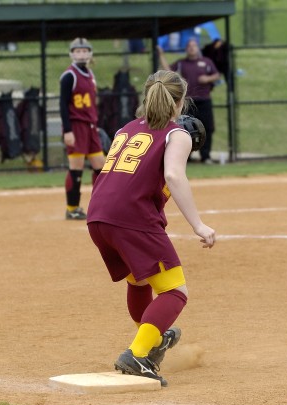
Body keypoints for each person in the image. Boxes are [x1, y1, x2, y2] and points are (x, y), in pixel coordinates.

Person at [86, 70, 216, 386]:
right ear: (180, 102)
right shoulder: (176, 134)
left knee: (139, 280)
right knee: (175, 291)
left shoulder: (125, 129)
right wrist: (198, 224)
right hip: (130, 219)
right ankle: (137, 354)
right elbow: (173, 175)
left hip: (98, 215)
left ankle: (154, 341)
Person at [59, 37, 106, 220]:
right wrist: (67, 130)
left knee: (100, 167)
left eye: (85, 51)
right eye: (77, 51)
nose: (81, 54)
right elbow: (63, 105)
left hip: (90, 126)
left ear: (90, 53)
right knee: (76, 167)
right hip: (76, 125)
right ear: (71, 54)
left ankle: (100, 206)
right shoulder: (69, 76)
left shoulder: (90, 74)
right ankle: (72, 208)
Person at [157, 38, 220, 164]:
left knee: (207, 127)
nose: (192, 48)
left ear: (198, 48)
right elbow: (169, 71)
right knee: (185, 127)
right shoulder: (182, 63)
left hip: (204, 100)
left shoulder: (206, 62)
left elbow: (216, 75)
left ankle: (205, 156)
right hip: (188, 101)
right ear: (186, 49)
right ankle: (187, 156)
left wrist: (207, 79)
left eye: (194, 45)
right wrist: (161, 55)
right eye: (189, 46)